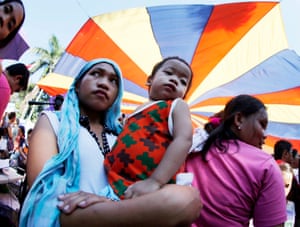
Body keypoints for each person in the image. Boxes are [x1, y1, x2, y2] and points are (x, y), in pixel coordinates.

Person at [19, 58, 201, 226]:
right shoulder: (54, 121)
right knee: (184, 199)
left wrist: (112, 203)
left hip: (120, 208)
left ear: (117, 95)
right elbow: (42, 186)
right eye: (95, 74)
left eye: (113, 80)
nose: (104, 83)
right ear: (77, 84)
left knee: (187, 198)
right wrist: (104, 205)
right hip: (69, 212)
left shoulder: (121, 133)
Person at [185, 94, 287, 227]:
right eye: (262, 124)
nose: (265, 135)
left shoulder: (190, 149)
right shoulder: (265, 165)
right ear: (238, 119)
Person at [104, 56, 193, 199]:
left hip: (151, 188)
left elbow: (184, 139)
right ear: (150, 80)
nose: (175, 80)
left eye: (183, 82)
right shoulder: (137, 111)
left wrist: (155, 181)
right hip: (118, 183)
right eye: (169, 73)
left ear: (184, 95)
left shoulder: (175, 106)